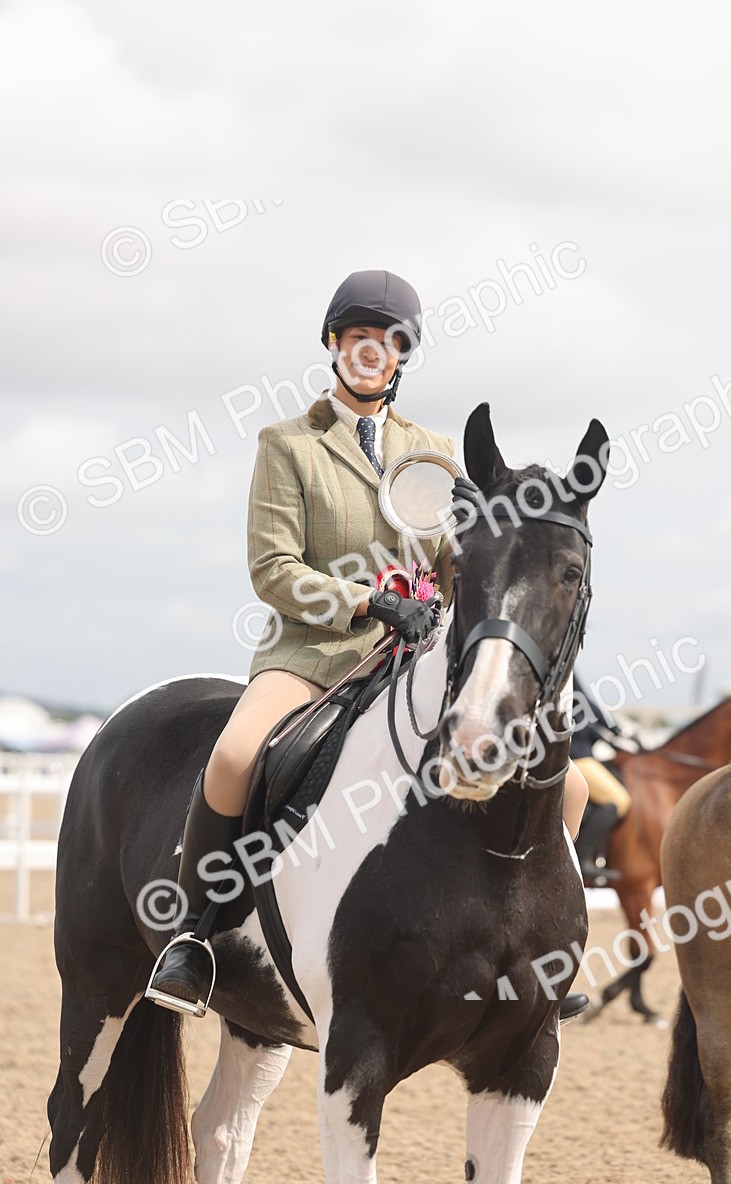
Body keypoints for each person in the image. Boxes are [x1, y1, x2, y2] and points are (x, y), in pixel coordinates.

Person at [148, 269, 590, 1021]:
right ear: (334, 343)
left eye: (388, 342)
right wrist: (366, 598)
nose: (372, 352)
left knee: (569, 786)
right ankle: (191, 934)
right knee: (233, 756)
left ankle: (531, 945)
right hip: (313, 656)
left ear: (402, 357)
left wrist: (456, 600)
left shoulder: (434, 451)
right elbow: (273, 568)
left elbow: (461, 560)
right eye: (359, 338)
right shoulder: (289, 445)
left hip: (418, 658)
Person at [570, 676, 636, 886]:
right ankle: (584, 859)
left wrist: (610, 736)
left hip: (583, 747)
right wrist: (617, 730)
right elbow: (585, 704)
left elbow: (581, 711)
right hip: (575, 754)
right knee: (617, 800)